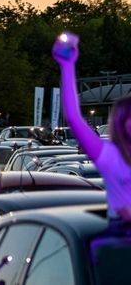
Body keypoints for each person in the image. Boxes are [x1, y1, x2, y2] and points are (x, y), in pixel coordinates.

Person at [53, 32, 131, 222]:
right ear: (121, 122)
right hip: (122, 243)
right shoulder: (111, 156)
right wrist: (67, 66)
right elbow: (73, 118)